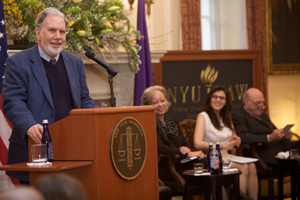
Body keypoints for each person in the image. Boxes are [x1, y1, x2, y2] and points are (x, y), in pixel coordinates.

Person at [2, 7, 99, 184]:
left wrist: (99, 117)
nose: (58, 37)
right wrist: (29, 125)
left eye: (62, 31)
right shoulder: (18, 62)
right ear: (38, 33)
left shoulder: (74, 62)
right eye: (52, 30)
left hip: (72, 152)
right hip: (35, 152)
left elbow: (83, 99)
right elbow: (12, 101)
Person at [194, 85, 258, 200]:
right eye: (215, 97)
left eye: (221, 98)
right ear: (210, 99)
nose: (218, 100)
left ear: (226, 102)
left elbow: (233, 138)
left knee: (252, 166)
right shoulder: (203, 116)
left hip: (227, 157)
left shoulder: (226, 116)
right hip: (212, 158)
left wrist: (236, 140)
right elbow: (197, 143)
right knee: (243, 168)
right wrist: (222, 146)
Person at [141, 85, 206, 194]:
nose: (160, 105)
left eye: (162, 100)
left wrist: (185, 149)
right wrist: (183, 153)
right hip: (166, 167)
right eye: (155, 102)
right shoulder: (149, 123)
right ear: (148, 105)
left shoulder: (173, 120)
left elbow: (186, 144)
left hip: (181, 163)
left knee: (209, 165)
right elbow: (160, 148)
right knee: (205, 163)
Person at [232, 87, 300, 165]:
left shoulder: (263, 115)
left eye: (263, 103)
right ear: (247, 103)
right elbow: (242, 137)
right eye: (258, 103)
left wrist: (284, 136)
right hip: (263, 151)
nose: (261, 105)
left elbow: (275, 131)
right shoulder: (238, 115)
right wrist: (269, 137)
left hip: (280, 148)